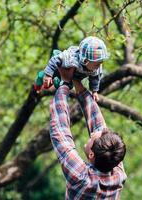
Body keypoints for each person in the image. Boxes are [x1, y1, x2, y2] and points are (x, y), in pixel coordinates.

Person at [49, 67, 127, 199]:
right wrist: (78, 84)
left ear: (91, 154)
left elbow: (60, 132)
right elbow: (98, 125)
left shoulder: (81, 178)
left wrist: (64, 84)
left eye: (93, 138)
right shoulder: (118, 174)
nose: (92, 134)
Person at [43, 36, 109, 101]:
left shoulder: (96, 67)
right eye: (97, 64)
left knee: (69, 86)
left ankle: (60, 82)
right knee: (55, 81)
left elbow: (95, 78)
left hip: (74, 76)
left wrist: (94, 91)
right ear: (85, 61)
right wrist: (48, 75)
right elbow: (55, 60)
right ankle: (52, 79)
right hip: (61, 68)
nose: (99, 66)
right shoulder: (71, 59)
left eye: (101, 62)